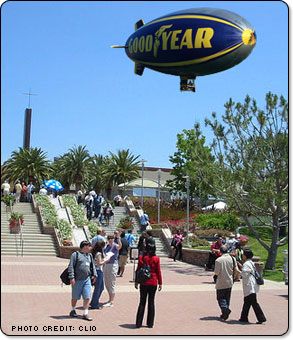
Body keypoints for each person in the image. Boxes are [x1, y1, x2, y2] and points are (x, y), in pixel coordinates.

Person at [135, 243, 163, 328]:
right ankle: (150, 323)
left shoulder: (141, 258)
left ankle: (139, 323)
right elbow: (158, 271)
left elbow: (138, 270)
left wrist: (136, 281)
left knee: (142, 302)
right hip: (153, 281)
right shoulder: (156, 258)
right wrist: (160, 283)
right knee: (151, 302)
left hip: (143, 282)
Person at [68, 240, 97, 321]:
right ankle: (73, 310)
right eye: (89, 246)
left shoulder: (90, 255)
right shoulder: (75, 255)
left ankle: (85, 313)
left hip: (87, 279)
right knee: (75, 297)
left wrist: (95, 275)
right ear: (85, 246)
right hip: (77, 280)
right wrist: (72, 277)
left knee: (87, 296)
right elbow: (71, 267)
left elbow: (92, 266)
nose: (91, 248)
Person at [238, 248, 266, 324]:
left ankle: (261, 318)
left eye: (243, 254)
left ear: (246, 256)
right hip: (252, 285)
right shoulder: (250, 262)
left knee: (253, 302)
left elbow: (244, 274)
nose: (242, 255)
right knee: (247, 302)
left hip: (249, 285)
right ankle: (243, 317)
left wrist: (239, 271)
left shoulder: (247, 264)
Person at [214, 245, 234, 321]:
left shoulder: (218, 260)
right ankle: (224, 314)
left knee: (220, 298)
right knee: (227, 298)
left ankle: (225, 309)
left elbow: (216, 272)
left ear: (220, 251)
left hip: (221, 281)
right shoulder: (232, 259)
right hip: (230, 281)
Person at [90, 241, 110, 310]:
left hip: (97, 270)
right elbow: (99, 263)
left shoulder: (95, 252)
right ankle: (94, 304)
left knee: (100, 287)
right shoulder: (98, 253)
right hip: (98, 271)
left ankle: (94, 301)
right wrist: (106, 260)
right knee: (98, 288)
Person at [103, 234, 122, 307]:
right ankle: (110, 298)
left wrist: (118, 238)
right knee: (107, 282)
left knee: (111, 282)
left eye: (112, 238)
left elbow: (119, 247)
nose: (110, 239)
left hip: (113, 265)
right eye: (109, 238)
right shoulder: (107, 246)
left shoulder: (115, 245)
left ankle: (112, 301)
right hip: (106, 264)